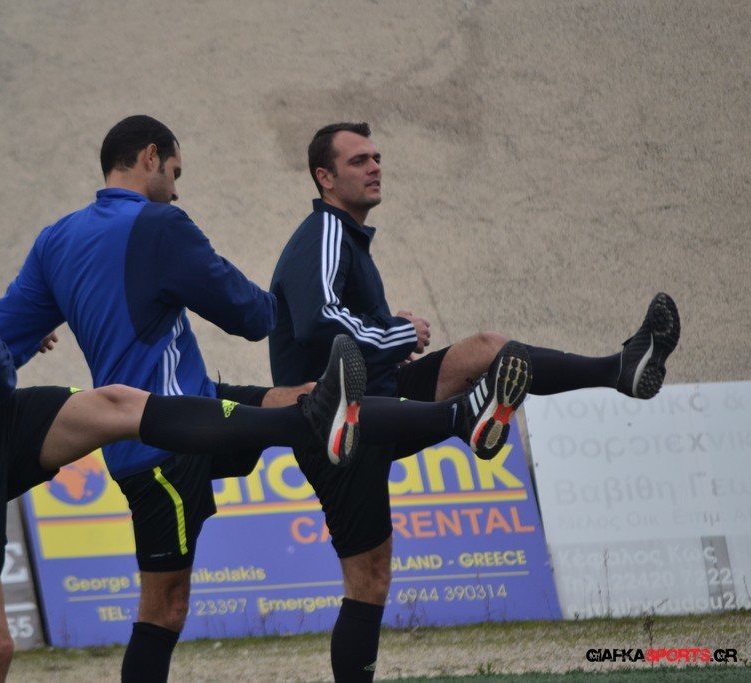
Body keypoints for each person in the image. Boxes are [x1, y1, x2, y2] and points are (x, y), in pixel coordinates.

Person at [0, 121, 526, 683]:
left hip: (146, 419)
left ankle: (447, 417)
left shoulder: (51, 237)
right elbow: (247, 314)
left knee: (173, 403)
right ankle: (432, 417)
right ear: (151, 159)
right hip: (96, 454)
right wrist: (281, 306)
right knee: (92, 626)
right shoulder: (152, 225)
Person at [268, 121, 682, 682]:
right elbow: (320, 324)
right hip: (336, 425)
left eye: (377, 157)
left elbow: (346, 332)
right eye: (359, 160)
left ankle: (619, 370)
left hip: (376, 399)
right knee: (368, 580)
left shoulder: (349, 238)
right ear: (324, 177)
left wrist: (390, 337)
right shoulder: (324, 232)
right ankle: (470, 415)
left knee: (488, 349)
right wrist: (398, 332)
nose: (375, 166)